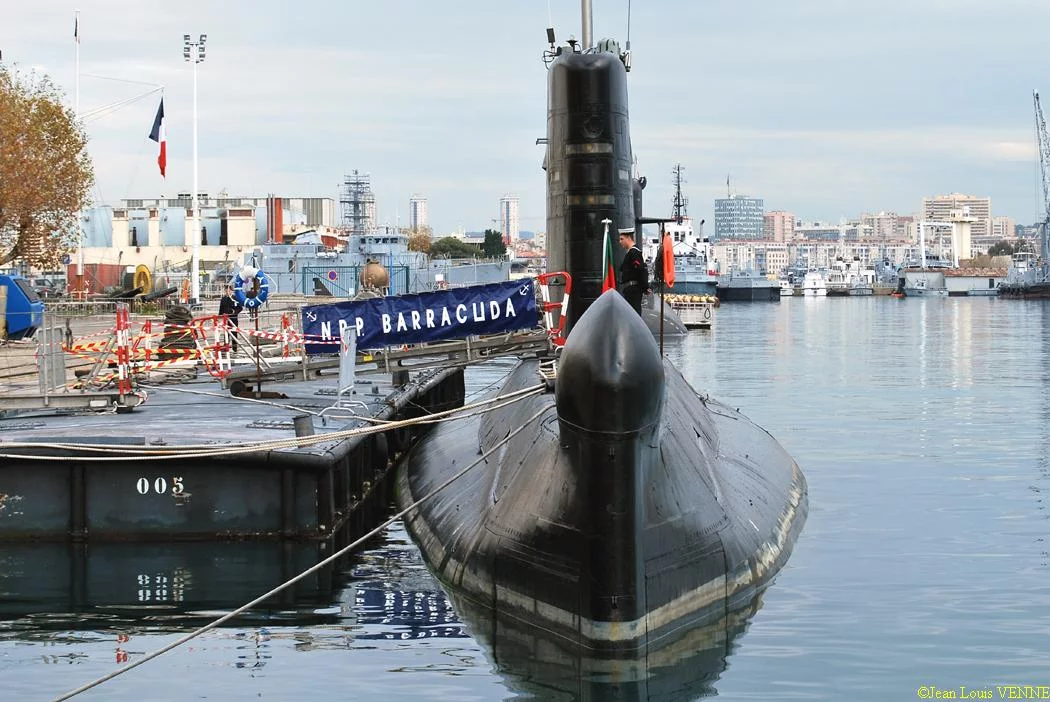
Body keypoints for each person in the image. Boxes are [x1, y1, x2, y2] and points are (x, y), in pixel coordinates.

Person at [618, 229, 648, 315]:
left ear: (628, 238)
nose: (620, 242)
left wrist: (645, 287)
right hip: (629, 290)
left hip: (633, 291)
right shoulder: (631, 253)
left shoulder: (634, 252)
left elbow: (641, 270)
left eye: (622, 239)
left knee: (634, 315)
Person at [218, 283, 243, 351]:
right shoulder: (223, 299)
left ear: (232, 291)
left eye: (228, 290)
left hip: (233, 318)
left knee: (234, 333)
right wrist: (219, 316)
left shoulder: (235, 298)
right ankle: (226, 347)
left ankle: (235, 348)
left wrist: (235, 312)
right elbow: (221, 309)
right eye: (226, 290)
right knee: (226, 333)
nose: (227, 292)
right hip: (226, 319)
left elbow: (240, 308)